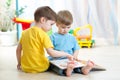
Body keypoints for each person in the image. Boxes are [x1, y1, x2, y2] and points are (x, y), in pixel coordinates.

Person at [16, 6, 73, 73]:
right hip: (40, 67)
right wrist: (65, 54)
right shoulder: (44, 35)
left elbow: (18, 50)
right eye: (51, 24)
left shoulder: (24, 33)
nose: (51, 28)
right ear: (43, 20)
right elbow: (51, 53)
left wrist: (19, 63)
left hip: (25, 68)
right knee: (53, 63)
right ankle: (67, 70)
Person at [48, 10, 94, 77]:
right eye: (63, 27)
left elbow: (76, 48)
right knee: (55, 67)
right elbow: (51, 50)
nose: (66, 30)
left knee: (77, 65)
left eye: (68, 27)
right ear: (57, 25)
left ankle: (84, 69)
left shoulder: (72, 37)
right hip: (57, 59)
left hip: (70, 59)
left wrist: (75, 56)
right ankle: (68, 70)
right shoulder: (53, 37)